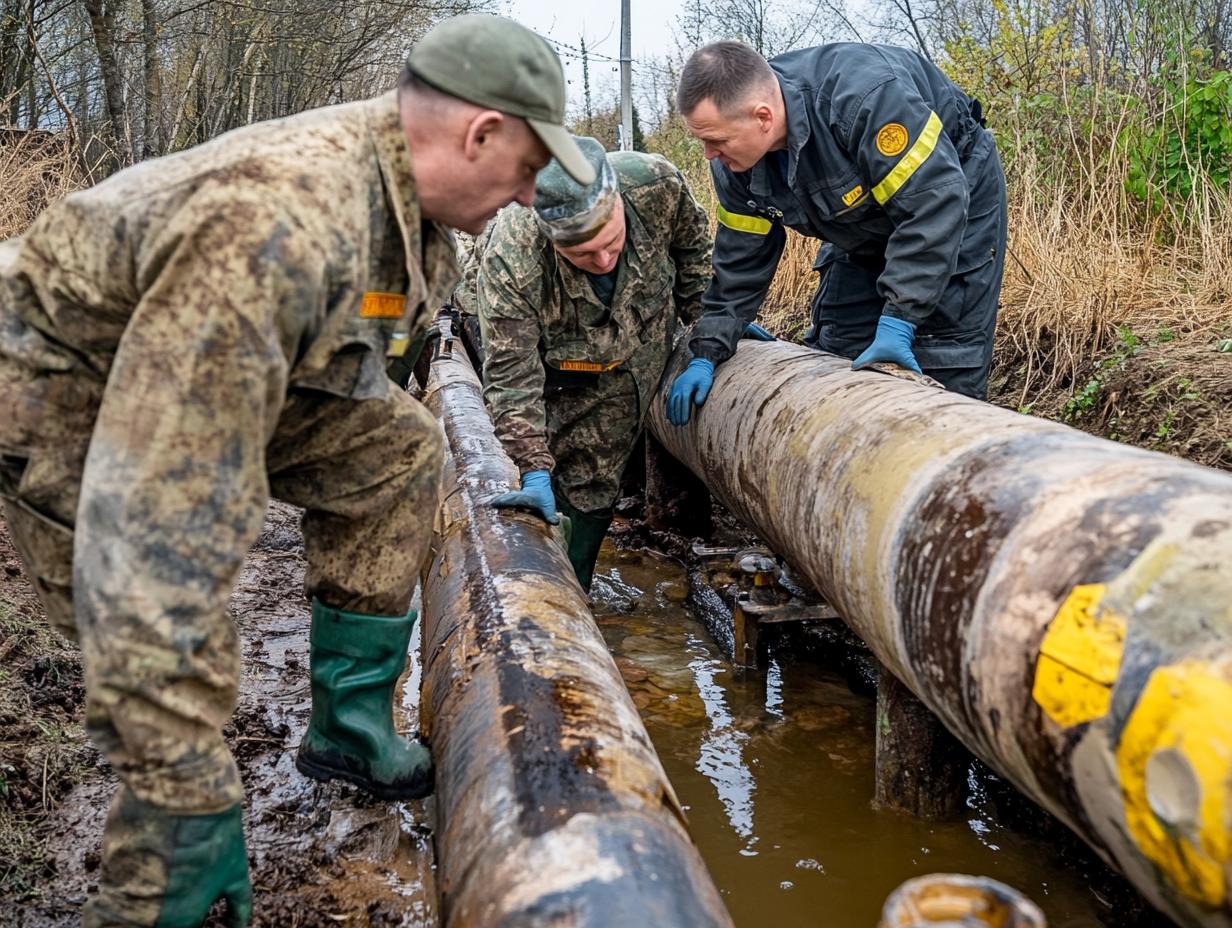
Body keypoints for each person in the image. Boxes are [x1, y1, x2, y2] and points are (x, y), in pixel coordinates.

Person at [0, 14, 591, 927]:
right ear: (481, 133)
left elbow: (362, 376)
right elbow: (160, 531)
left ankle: (347, 727)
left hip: (194, 361)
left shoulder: (407, 212)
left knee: (398, 448)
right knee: (153, 627)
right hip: (70, 389)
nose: (525, 199)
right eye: (526, 169)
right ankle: (163, 866)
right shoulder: (277, 225)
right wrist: (190, 793)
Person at [665, 40, 1008, 426]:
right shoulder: (733, 163)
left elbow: (931, 205)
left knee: (942, 355)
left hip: (951, 202)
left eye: (717, 141)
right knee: (839, 350)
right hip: (858, 225)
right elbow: (740, 254)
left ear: (763, 117)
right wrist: (712, 342)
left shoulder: (865, 98)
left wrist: (900, 319)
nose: (709, 153)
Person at [466, 136, 723, 590]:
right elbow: (511, 373)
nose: (603, 260)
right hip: (566, 361)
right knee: (572, 478)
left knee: (601, 478)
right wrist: (532, 466)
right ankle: (566, 590)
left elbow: (694, 252)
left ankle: (580, 566)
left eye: (611, 242)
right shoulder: (514, 259)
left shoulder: (655, 185)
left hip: (642, 335)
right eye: (583, 255)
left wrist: (711, 326)